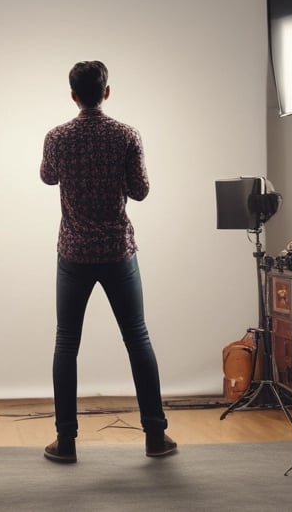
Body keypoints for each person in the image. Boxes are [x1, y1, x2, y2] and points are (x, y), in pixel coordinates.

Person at [39, 60, 176, 463]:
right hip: (118, 251)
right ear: (107, 92)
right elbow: (141, 191)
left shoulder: (58, 137)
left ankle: (66, 442)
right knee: (138, 339)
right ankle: (154, 436)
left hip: (75, 252)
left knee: (66, 344)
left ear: (73, 95)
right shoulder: (125, 135)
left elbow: (47, 177)